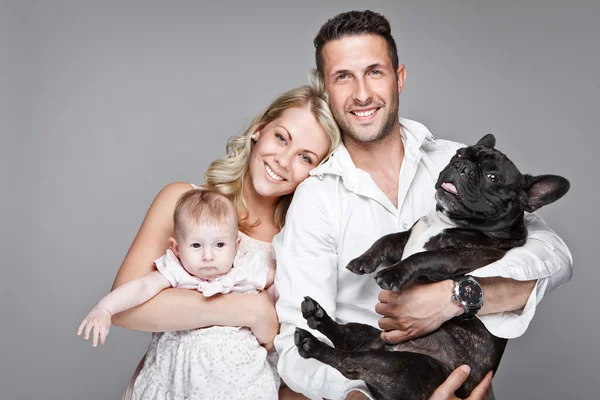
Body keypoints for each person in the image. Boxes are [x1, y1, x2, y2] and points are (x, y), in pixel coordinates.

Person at [273, 10, 573, 400]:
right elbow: (297, 337)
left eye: (375, 72)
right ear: (326, 91)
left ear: (399, 78)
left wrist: (456, 297)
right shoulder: (317, 197)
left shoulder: (455, 163)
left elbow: (557, 260)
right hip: (370, 384)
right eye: (343, 77)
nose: (362, 94)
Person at [107, 83, 341, 399]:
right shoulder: (181, 202)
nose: (284, 161)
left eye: (305, 157)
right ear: (259, 129)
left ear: (317, 172)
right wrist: (247, 310)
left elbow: (294, 360)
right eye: (281, 138)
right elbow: (124, 309)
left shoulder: (300, 244)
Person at [78, 189, 280, 398]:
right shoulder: (177, 271)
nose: (208, 256)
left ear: (236, 246)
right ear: (176, 248)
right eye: (196, 245)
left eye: (220, 245)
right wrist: (104, 308)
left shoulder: (245, 271)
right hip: (179, 379)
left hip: (239, 381)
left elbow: (282, 289)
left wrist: (274, 324)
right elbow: (142, 287)